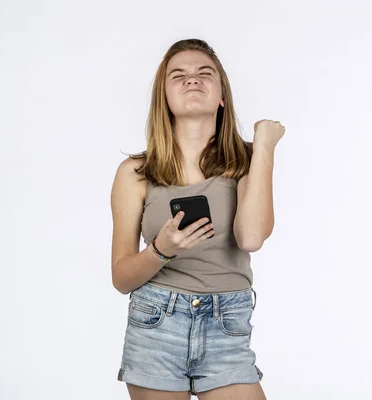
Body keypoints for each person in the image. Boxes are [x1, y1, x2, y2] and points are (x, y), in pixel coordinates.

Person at [110, 38, 284, 400]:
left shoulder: (247, 162)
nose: (193, 79)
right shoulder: (135, 173)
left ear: (222, 95)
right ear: (165, 98)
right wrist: (161, 249)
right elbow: (122, 277)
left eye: (205, 73)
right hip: (157, 322)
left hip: (226, 325)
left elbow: (251, 237)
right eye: (179, 75)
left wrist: (264, 146)